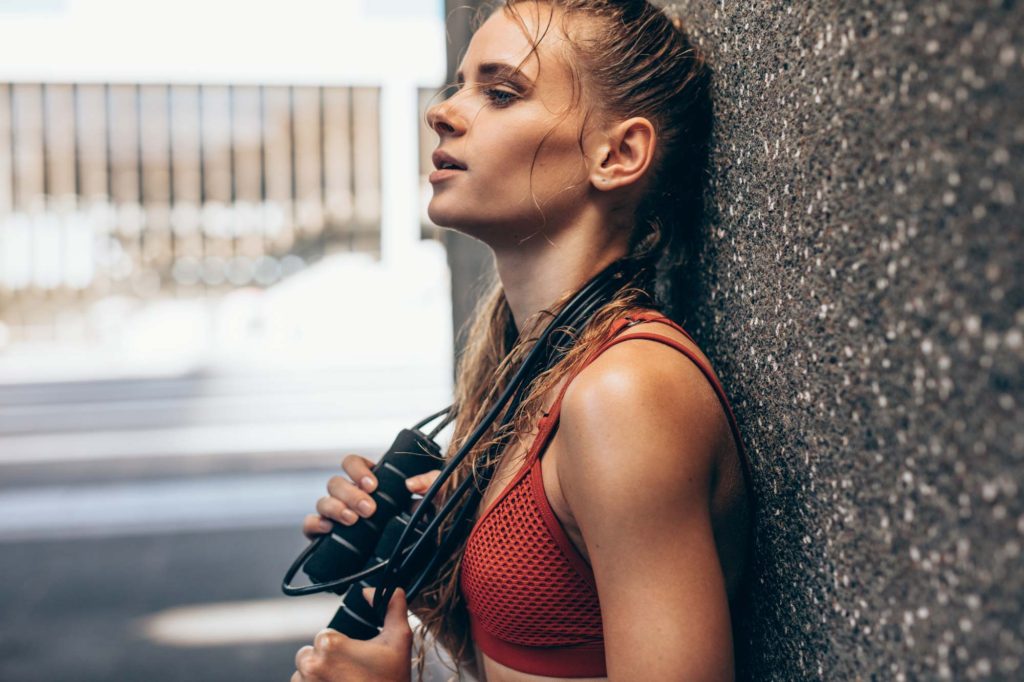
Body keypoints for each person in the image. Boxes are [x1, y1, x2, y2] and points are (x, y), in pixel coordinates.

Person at [293, 0, 752, 680]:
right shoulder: (532, 377)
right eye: (459, 84)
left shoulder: (623, 396)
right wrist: (424, 582)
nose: (442, 111)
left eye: (501, 93)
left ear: (618, 154)